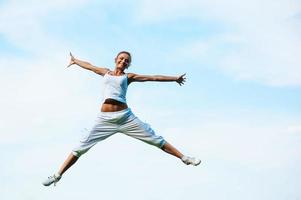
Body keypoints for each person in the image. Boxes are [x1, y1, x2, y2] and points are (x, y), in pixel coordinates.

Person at [42, 51, 201, 186]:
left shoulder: (128, 77)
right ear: (115, 60)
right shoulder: (104, 72)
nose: (123, 61)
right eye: (121, 58)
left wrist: (174, 79)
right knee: (81, 146)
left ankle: (184, 158)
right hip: (104, 119)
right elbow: (89, 66)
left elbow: (152, 77)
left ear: (128, 65)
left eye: (126, 60)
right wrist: (75, 61)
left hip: (125, 118)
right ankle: (57, 175)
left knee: (155, 139)